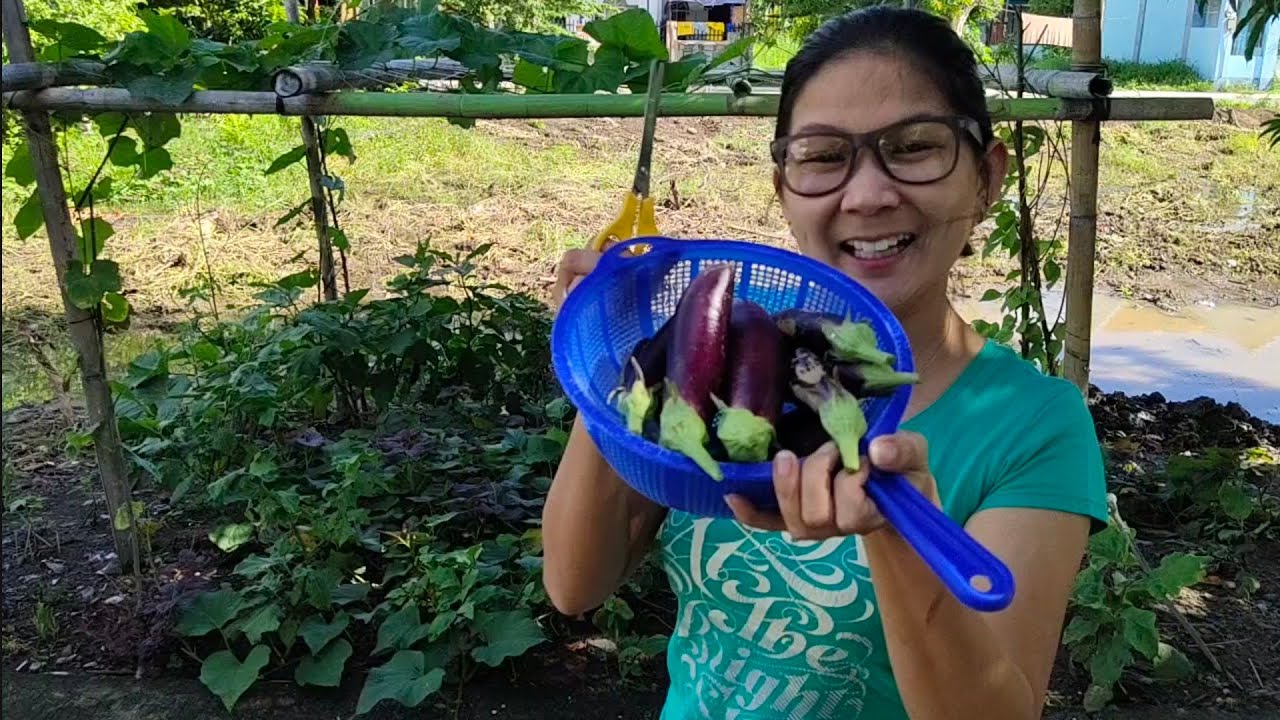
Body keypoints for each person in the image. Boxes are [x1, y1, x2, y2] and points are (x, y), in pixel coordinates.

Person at [542, 7, 1108, 720]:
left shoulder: (1033, 427)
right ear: (783, 188)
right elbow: (574, 584)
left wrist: (893, 534)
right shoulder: (726, 358)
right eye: (823, 156)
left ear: (986, 178)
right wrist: (620, 360)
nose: (869, 195)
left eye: (914, 147)